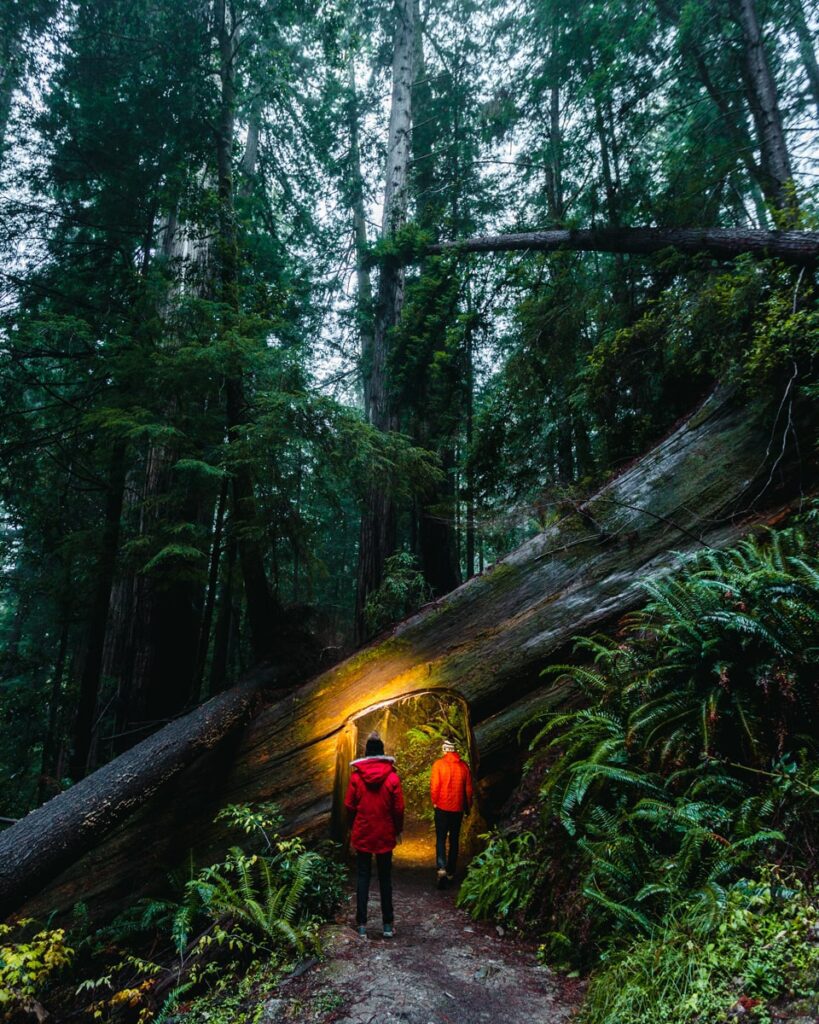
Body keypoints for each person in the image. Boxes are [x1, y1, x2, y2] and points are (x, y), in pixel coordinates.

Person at [344, 731, 405, 939]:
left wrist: (352, 826)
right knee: (385, 878)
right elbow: (398, 809)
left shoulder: (356, 777)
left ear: (366, 753)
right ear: (382, 752)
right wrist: (398, 830)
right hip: (385, 834)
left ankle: (361, 925)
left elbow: (349, 805)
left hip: (363, 833)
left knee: (362, 878)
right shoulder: (393, 777)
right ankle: (387, 925)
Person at [430, 738, 473, 887]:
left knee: (441, 838)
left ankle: (441, 868)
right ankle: (450, 872)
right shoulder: (464, 767)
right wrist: (468, 808)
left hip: (442, 807)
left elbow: (434, 786)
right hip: (457, 809)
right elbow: (468, 790)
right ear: (454, 750)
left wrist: (434, 802)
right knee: (454, 840)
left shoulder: (438, 765)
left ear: (444, 750)